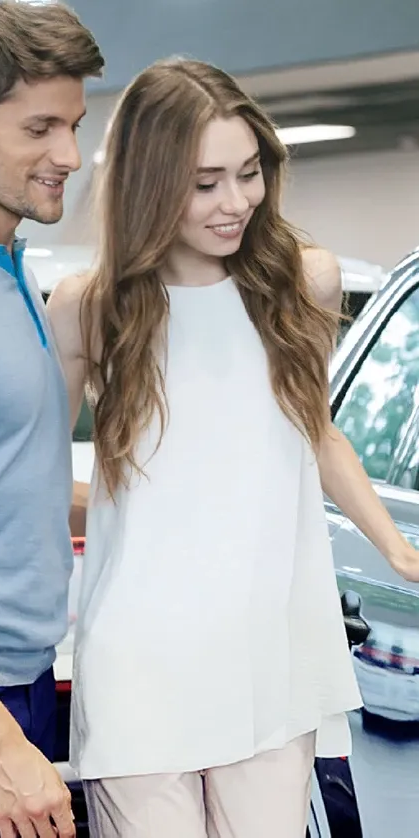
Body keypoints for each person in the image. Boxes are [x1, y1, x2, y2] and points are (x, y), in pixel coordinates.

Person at [48, 58, 419, 838]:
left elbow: (314, 429)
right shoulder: (91, 304)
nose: (237, 201)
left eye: (248, 173)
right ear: (149, 183)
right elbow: (39, 465)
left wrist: (398, 548)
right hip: (140, 659)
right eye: (205, 181)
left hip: (269, 656)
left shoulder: (301, 284)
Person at [0, 2, 104, 836]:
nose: (69, 156)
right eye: (40, 127)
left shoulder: (9, 265)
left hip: (24, 685)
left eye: (74, 125)